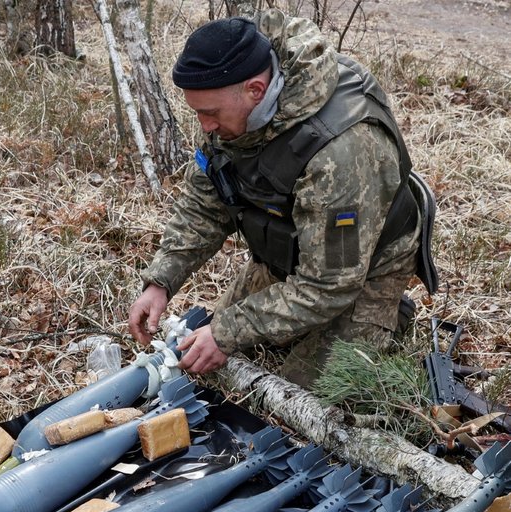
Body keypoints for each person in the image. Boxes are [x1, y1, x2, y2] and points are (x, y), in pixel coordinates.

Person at [128, 10, 437, 387]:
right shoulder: (233, 110)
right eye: (198, 113)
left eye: (210, 114)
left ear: (256, 90)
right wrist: (161, 280)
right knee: (205, 362)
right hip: (291, 252)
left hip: (359, 272)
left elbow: (329, 285)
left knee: (298, 399)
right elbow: (207, 200)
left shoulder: (339, 151)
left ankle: (383, 316)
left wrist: (229, 332)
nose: (205, 126)